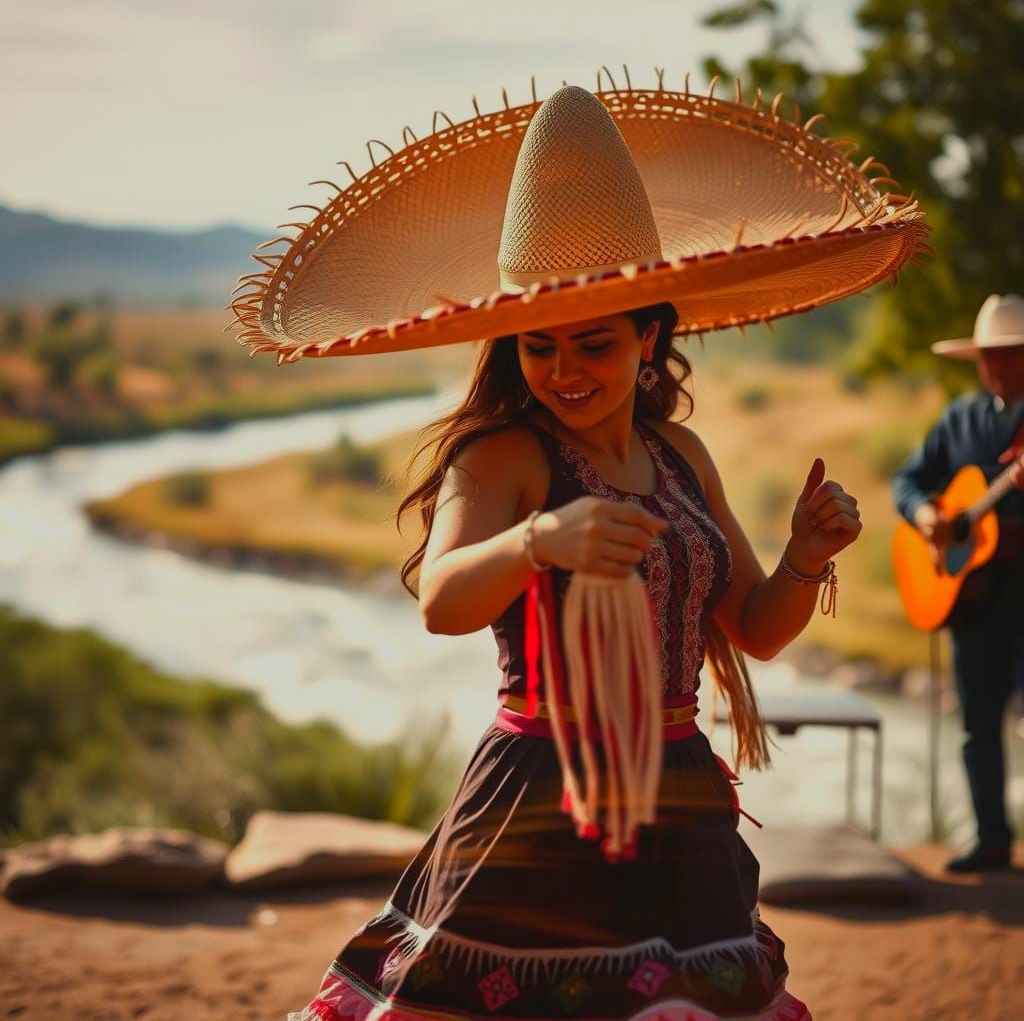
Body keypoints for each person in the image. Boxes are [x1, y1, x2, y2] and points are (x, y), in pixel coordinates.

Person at [229, 75, 925, 1021]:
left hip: (682, 801)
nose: (562, 372)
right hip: (541, 805)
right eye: (537, 345)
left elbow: (756, 629)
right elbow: (443, 603)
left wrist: (804, 555)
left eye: (593, 345)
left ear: (650, 338)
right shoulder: (503, 458)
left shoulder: (679, 455)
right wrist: (539, 539)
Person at [892, 293, 1024, 874]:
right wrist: (927, 516)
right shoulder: (960, 418)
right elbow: (909, 480)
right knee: (978, 725)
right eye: (989, 355)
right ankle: (991, 839)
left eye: (1010, 354)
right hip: (973, 604)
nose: (997, 364)